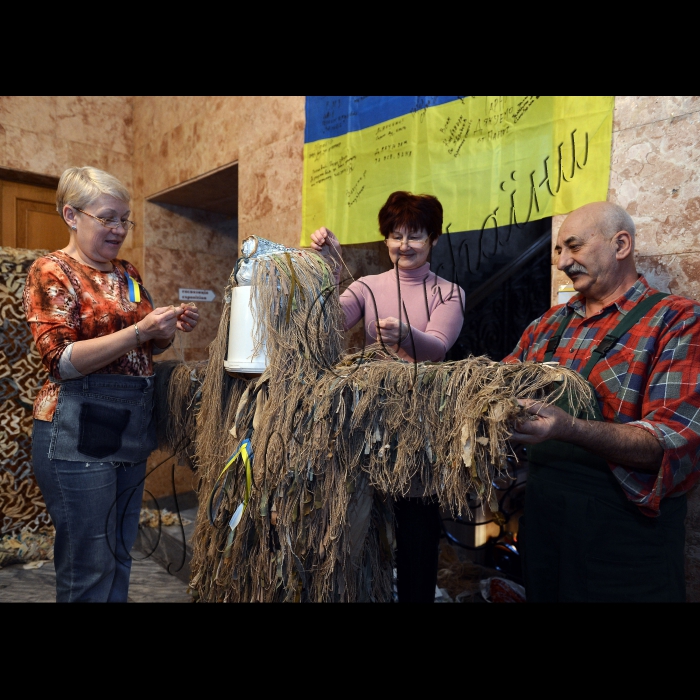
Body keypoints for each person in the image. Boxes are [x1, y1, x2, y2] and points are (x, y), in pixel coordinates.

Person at [504, 201, 700, 602]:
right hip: (545, 524)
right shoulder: (546, 326)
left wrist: (567, 428)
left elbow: (670, 443)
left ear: (621, 244)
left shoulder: (676, 321)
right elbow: (498, 390)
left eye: (573, 247)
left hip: (625, 537)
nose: (562, 262)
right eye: (558, 250)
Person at [23, 166, 200, 603]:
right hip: (76, 429)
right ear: (71, 214)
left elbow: (148, 348)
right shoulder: (52, 271)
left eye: (125, 219)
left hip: (129, 426)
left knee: (120, 553)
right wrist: (140, 332)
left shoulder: (128, 273)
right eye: (109, 218)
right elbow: (61, 360)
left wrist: (166, 328)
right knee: (90, 563)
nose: (120, 229)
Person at [310, 190, 465, 602]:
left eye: (415, 236)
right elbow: (329, 323)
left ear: (433, 238)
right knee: (361, 517)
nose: (403, 246)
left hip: (421, 423)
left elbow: (436, 347)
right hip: (367, 418)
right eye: (395, 235)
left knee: (416, 525)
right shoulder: (366, 286)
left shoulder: (449, 293)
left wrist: (406, 336)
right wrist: (328, 265)